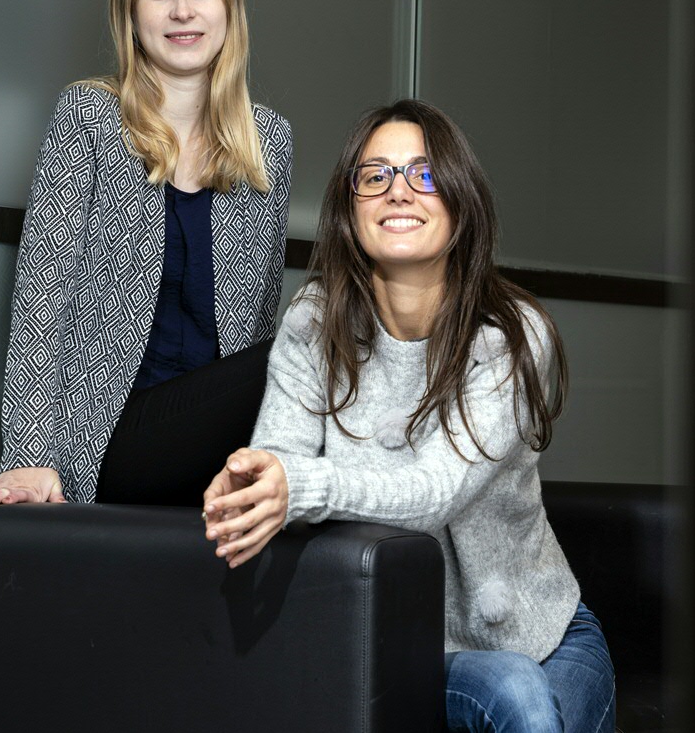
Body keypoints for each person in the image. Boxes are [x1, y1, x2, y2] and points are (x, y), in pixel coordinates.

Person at [202, 100, 615, 733]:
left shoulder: (508, 335)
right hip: (395, 640)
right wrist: (251, 481)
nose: (398, 192)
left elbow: (433, 492)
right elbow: (279, 458)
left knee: (526, 698)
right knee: (513, 692)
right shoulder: (314, 323)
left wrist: (302, 487)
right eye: (376, 176)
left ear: (459, 200)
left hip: (543, 636)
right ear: (350, 205)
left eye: (423, 174)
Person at [0, 0, 291, 507]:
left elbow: (260, 320)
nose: (182, 11)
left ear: (228, 8)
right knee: (317, 336)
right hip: (114, 437)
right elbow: (44, 295)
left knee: (307, 338)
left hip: (225, 447)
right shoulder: (89, 117)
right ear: (131, 15)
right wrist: (29, 460)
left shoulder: (267, 141)